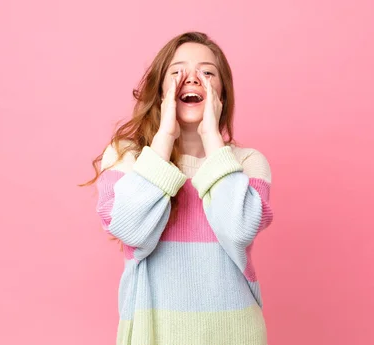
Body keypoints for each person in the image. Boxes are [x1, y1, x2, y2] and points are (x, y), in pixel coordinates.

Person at [84, 31, 274, 345]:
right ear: (161, 90)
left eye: (207, 72)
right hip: (152, 333)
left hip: (236, 332)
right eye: (177, 72)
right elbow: (131, 231)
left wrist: (213, 139)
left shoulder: (248, 162)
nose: (192, 78)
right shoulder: (126, 156)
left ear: (221, 94)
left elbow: (238, 230)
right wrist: (164, 138)